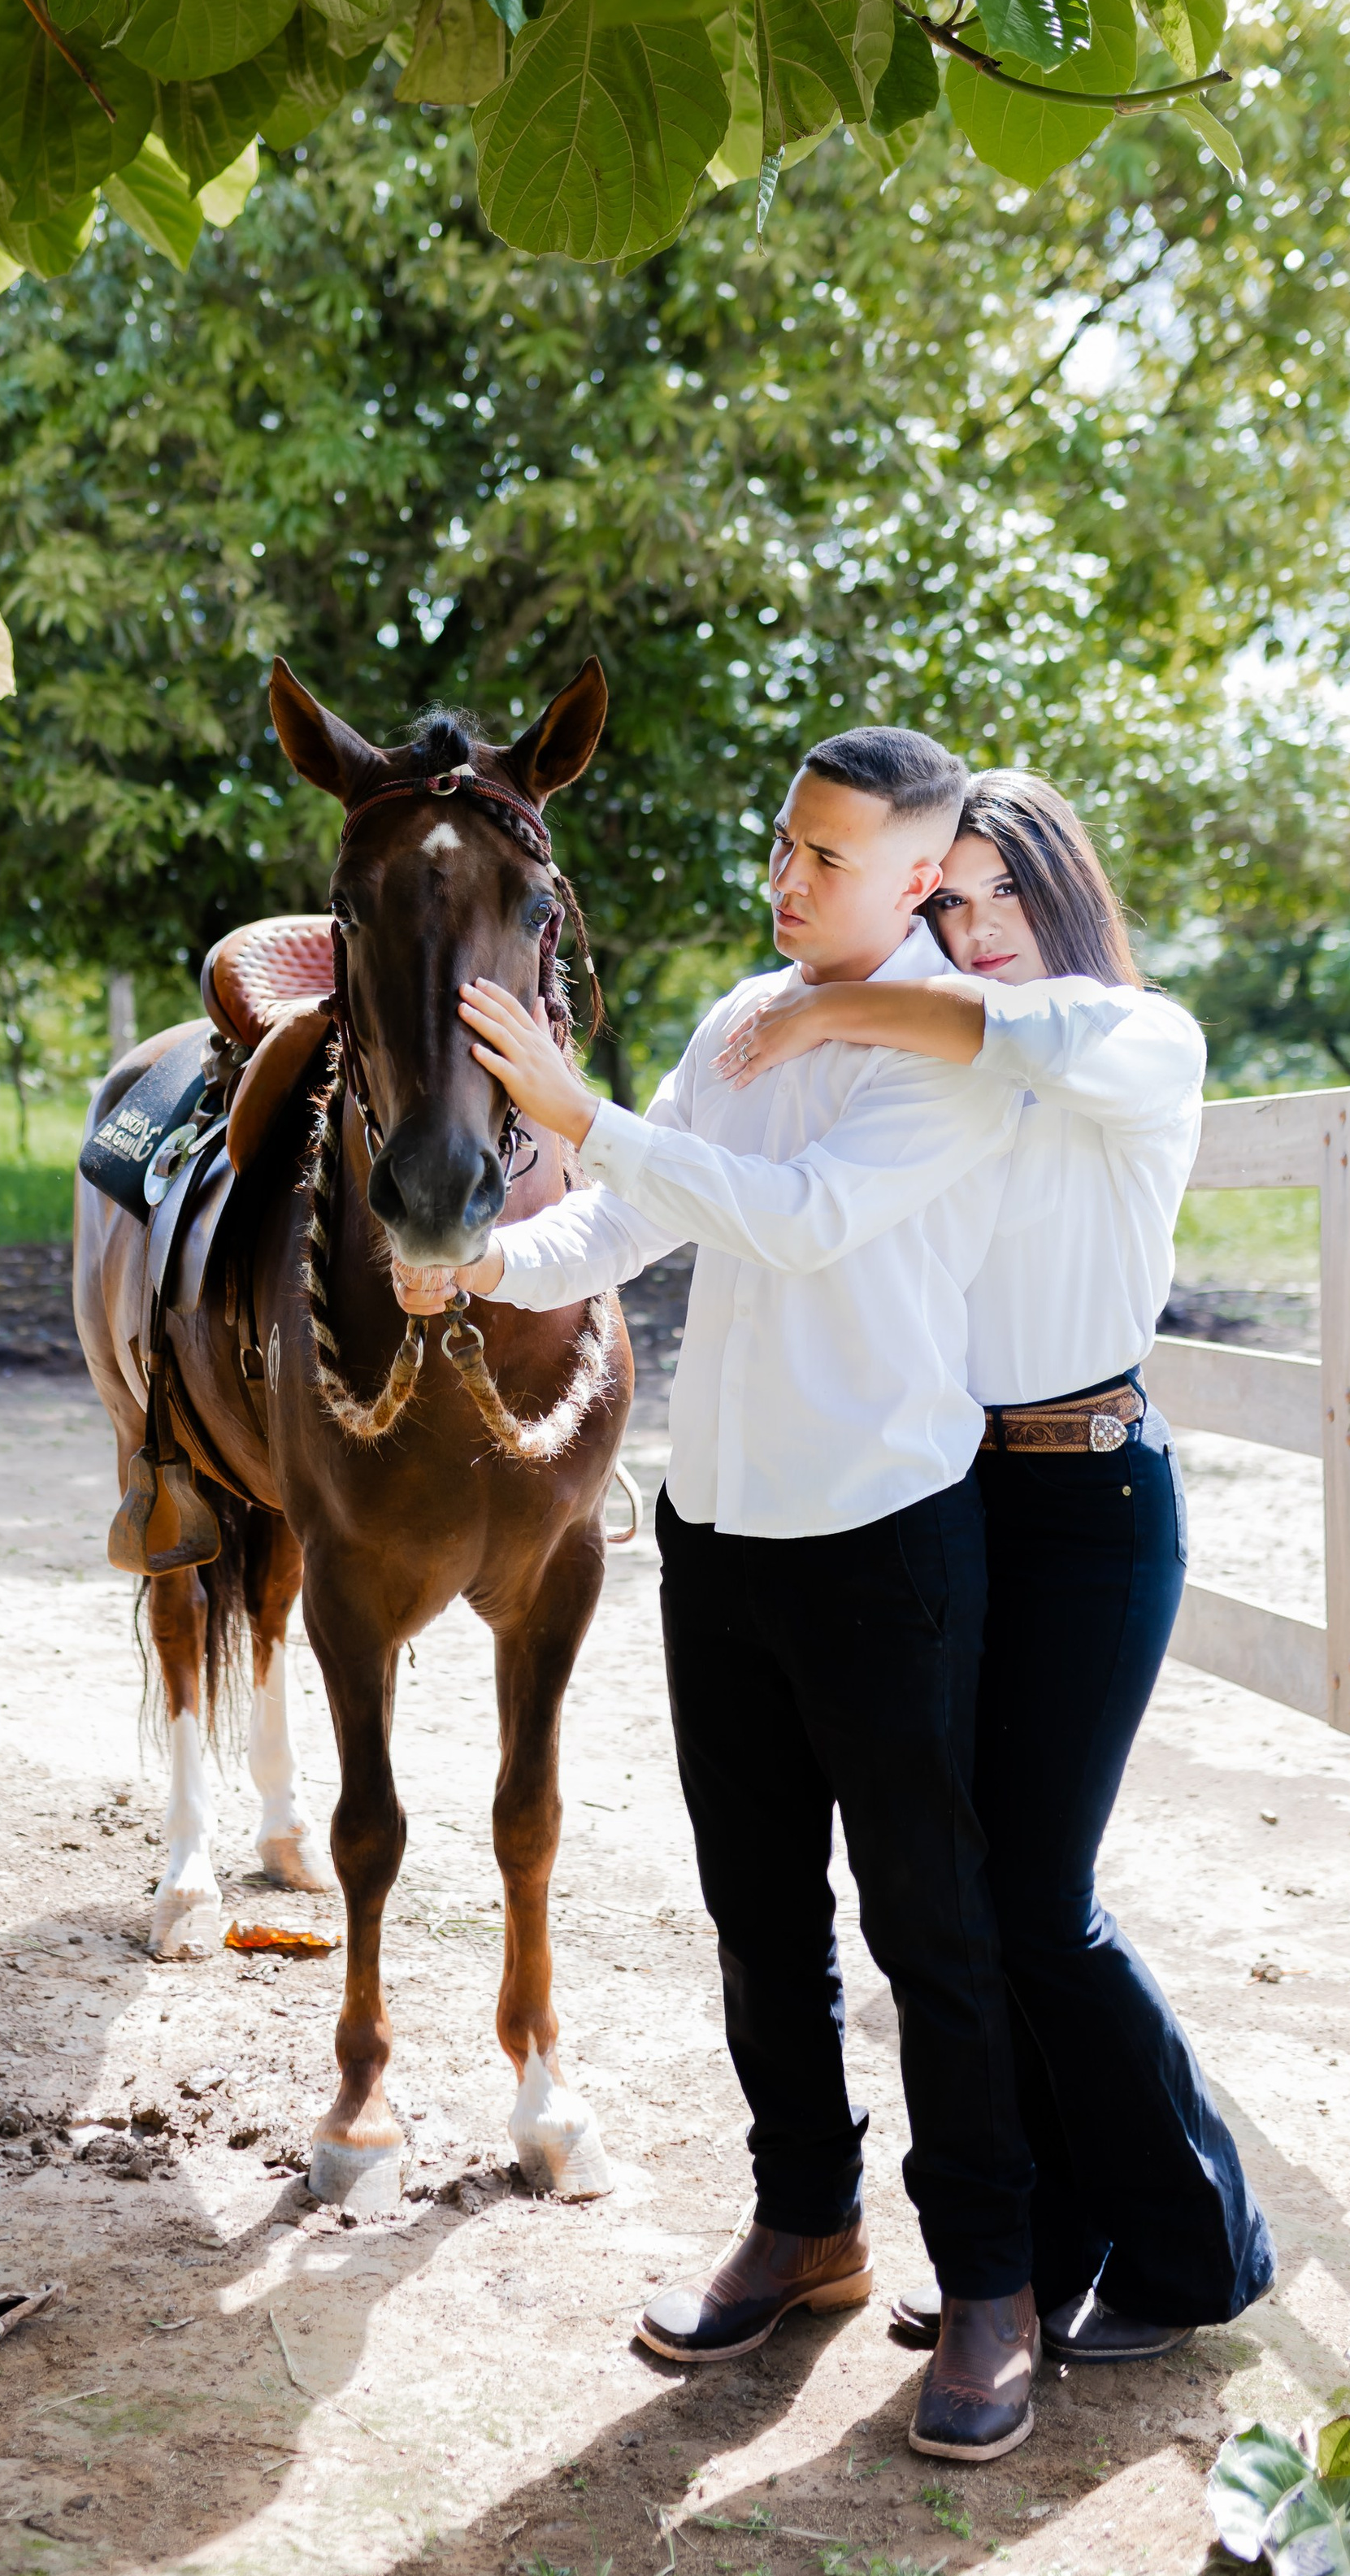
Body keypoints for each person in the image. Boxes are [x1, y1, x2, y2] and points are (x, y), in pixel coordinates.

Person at [437, 727, 1047, 2462]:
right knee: (756, 1910)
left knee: (932, 1927)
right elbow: (619, 1226)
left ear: (918, 879)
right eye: (780, 842)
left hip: (887, 1535)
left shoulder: (950, 1044)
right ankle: (806, 2223)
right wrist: (481, 1259)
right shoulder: (731, 1017)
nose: (783, 881)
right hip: (719, 1538)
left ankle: (989, 2277)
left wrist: (580, 1109)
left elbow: (791, 1220)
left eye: (827, 860)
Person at [710, 768, 1275, 2363]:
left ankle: (1191, 2244)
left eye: (994, 892)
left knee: (1039, 1898)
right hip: (954, 1499)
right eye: (942, 903)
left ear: (1059, 886)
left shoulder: (1127, 1036)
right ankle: (1033, 2244)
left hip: (1090, 1504)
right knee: (964, 1893)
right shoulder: (945, 1070)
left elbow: (1005, 1033)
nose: (969, 928)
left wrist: (826, 1014)